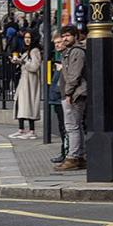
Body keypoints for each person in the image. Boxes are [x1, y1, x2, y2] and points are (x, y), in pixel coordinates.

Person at [55, 25, 87, 171]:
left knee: (72, 126)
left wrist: (68, 93)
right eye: (63, 36)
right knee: (76, 125)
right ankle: (79, 156)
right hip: (74, 93)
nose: (65, 38)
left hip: (75, 94)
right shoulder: (69, 52)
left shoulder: (77, 52)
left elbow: (74, 75)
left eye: (68, 35)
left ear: (75, 36)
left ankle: (73, 157)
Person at [8, 30, 42, 140]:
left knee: (29, 105)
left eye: (29, 37)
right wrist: (16, 61)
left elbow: (35, 67)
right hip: (24, 81)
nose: (27, 40)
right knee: (20, 104)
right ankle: (21, 130)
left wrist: (22, 62)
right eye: (25, 37)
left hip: (30, 82)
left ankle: (31, 131)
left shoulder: (34, 51)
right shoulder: (26, 51)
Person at [48, 33, 69, 164]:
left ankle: (66, 153)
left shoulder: (67, 57)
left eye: (59, 42)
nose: (57, 45)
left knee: (66, 127)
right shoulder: (60, 57)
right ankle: (64, 152)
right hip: (56, 97)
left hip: (63, 97)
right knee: (62, 126)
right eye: (55, 43)